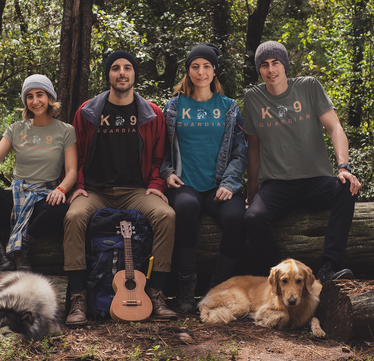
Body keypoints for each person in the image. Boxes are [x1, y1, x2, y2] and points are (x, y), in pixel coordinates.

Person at [63, 50, 177, 325]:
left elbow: (160, 158)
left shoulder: (152, 114)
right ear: (109, 75)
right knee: (74, 217)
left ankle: (156, 292)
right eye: (115, 68)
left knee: (166, 216)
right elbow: (75, 154)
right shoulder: (88, 111)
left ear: (135, 74)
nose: (122, 73)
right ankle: (78, 297)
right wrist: (77, 184)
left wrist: (155, 184)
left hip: (136, 191)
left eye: (127, 68)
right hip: (95, 191)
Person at [243, 40, 360, 282]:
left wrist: (343, 167)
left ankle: (329, 268)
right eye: (264, 65)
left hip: (315, 181)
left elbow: (335, 127)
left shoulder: (309, 86)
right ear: (259, 70)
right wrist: (252, 192)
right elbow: (253, 149)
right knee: (253, 218)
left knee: (346, 188)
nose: (270, 69)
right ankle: (279, 278)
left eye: (276, 63)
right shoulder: (253, 98)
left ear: (285, 65)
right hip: (277, 185)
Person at [161, 44, 248, 313]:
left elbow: (240, 150)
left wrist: (229, 183)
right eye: (195, 66)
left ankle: (219, 286)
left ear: (214, 71)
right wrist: (168, 173)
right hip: (185, 184)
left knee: (236, 218)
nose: (201, 72)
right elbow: (160, 147)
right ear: (188, 71)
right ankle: (186, 284)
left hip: (219, 185)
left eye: (206, 66)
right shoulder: (175, 106)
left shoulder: (229, 107)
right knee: (185, 208)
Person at [0, 75, 78, 271]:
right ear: (25, 101)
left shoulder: (66, 131)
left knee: (61, 207)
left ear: (50, 97)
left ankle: (21, 248)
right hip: (17, 196)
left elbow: (71, 172)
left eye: (40, 95)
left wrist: (61, 189)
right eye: (30, 96)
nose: (35, 101)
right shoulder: (16, 129)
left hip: (44, 198)